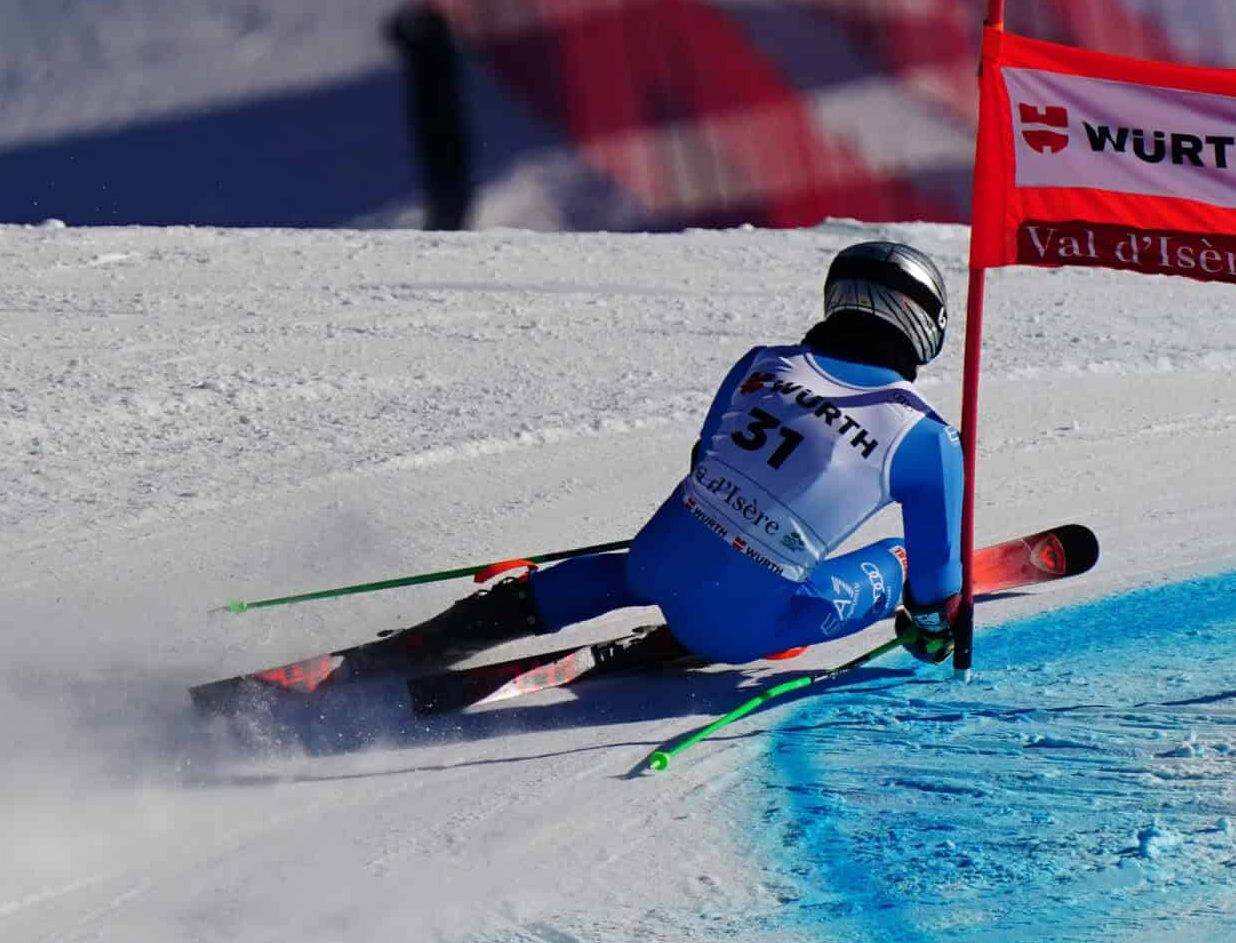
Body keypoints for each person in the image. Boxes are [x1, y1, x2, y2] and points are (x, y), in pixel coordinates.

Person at [355, 240, 965, 675]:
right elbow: (937, 586)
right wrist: (935, 630)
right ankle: (761, 619)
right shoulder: (928, 438)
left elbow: (709, 460)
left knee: (630, 570)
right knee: (901, 556)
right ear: (923, 325)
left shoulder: (763, 362)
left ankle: (485, 618)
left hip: (658, 559)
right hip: (737, 628)